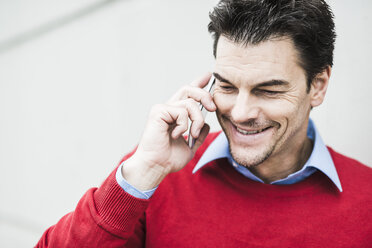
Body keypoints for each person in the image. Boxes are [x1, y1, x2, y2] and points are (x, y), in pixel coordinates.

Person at [36, 0, 372, 247]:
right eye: (226, 86)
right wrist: (144, 170)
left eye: (267, 90)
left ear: (318, 85)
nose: (240, 113)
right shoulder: (156, 178)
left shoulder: (366, 200)